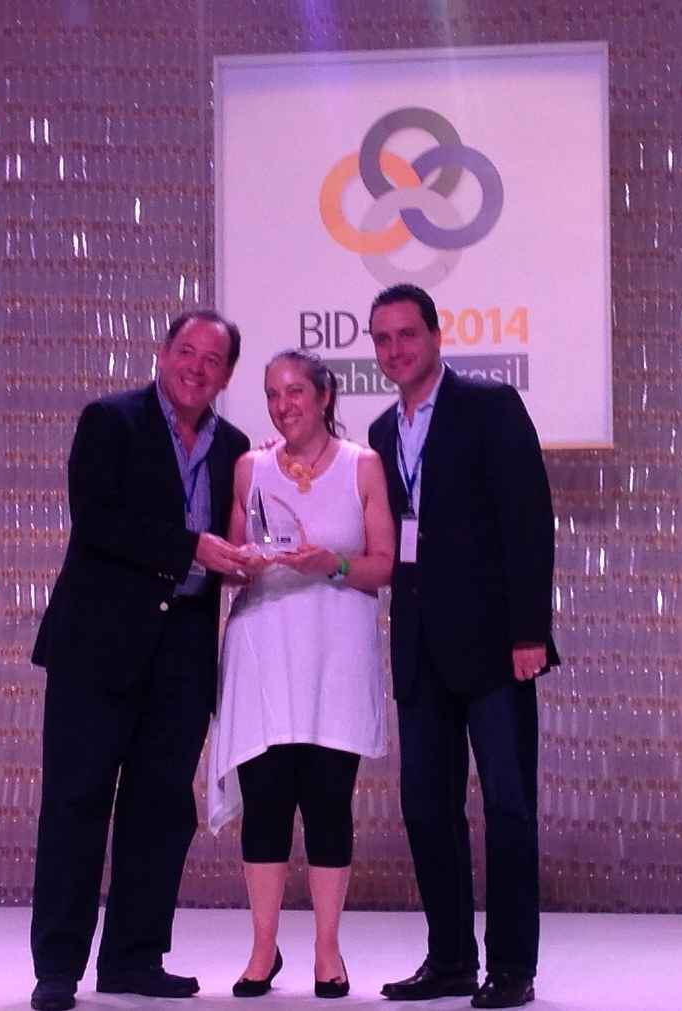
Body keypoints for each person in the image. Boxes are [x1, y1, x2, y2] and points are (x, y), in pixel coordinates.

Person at [29, 310, 252, 1011]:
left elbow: (236, 538)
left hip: (182, 648)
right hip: (96, 647)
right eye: (185, 351)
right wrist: (190, 547)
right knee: (76, 802)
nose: (195, 367)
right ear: (161, 353)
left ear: (227, 374)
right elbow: (98, 520)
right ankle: (57, 967)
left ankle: (133, 957)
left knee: (160, 810)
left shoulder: (234, 447)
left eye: (211, 359)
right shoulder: (110, 420)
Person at [367, 284, 559, 1010]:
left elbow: (528, 521)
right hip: (419, 647)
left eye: (406, 335)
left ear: (436, 336)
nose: (395, 350)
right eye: (382, 339)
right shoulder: (381, 431)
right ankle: (449, 959)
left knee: (508, 805)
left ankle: (511, 967)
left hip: (495, 645)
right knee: (425, 806)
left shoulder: (489, 406)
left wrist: (529, 632)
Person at [206, 348, 394, 999]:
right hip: (264, 654)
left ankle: (326, 948)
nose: (282, 406)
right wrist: (242, 563)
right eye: (271, 394)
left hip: (334, 657)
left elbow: (383, 564)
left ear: (323, 396)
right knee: (265, 805)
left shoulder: (362, 465)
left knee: (327, 805)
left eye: (294, 392)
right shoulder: (249, 466)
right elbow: (231, 564)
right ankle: (263, 948)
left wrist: (331, 564)